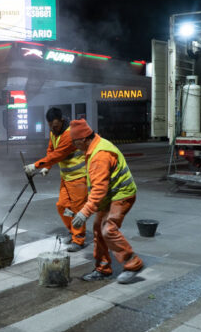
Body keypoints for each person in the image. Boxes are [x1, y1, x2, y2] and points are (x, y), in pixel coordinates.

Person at [69, 119, 144, 284]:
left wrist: (84, 212)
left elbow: (98, 190)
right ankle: (103, 269)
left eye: (74, 141)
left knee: (108, 229)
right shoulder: (95, 146)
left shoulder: (99, 155)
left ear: (82, 139)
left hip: (122, 194)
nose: (74, 145)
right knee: (98, 229)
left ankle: (133, 263)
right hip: (111, 195)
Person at [24, 108, 87, 252]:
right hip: (66, 177)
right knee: (62, 206)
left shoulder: (69, 134)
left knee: (77, 210)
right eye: (51, 126)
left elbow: (57, 155)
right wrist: (48, 167)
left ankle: (78, 240)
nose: (54, 129)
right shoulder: (54, 132)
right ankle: (73, 230)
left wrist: (35, 166)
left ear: (62, 121)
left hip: (78, 177)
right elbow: (51, 151)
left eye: (56, 126)